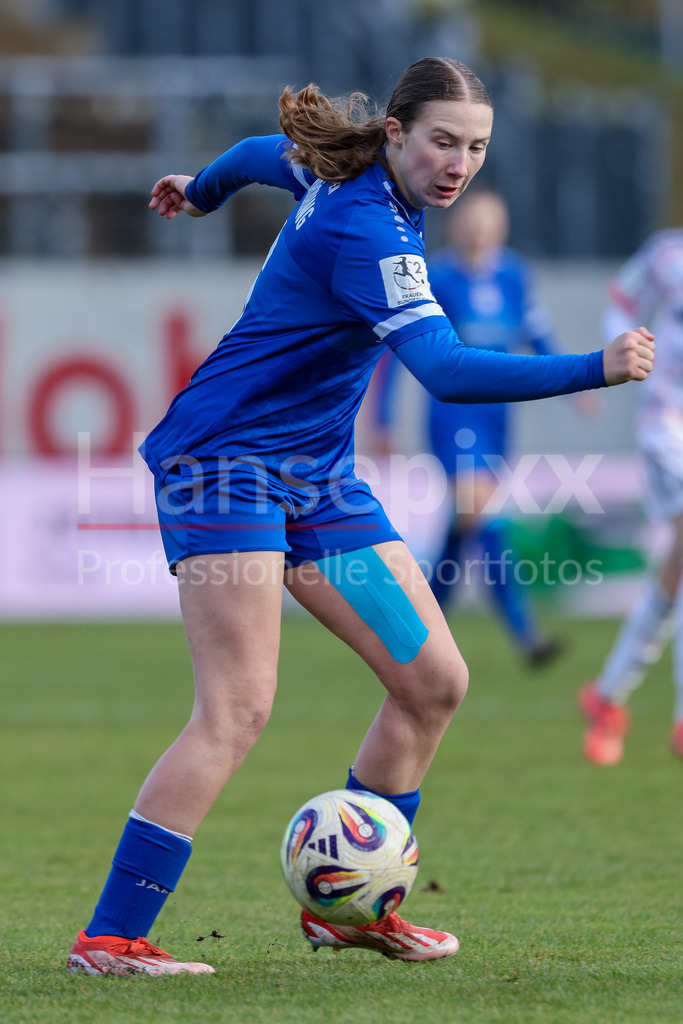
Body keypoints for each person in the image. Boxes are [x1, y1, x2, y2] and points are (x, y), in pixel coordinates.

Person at [66, 57, 654, 976]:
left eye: (475, 147)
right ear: (394, 134)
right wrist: (595, 366)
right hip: (225, 466)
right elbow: (448, 370)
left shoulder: (338, 172)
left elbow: (266, 152)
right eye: (441, 142)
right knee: (238, 707)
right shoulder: (367, 228)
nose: (459, 163)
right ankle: (110, 936)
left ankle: (348, 909)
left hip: (317, 480)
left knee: (433, 681)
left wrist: (203, 190)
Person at [371, 189, 587, 666]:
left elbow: (538, 333)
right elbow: (396, 349)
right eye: (472, 220)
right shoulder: (437, 277)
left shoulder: (513, 275)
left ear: (503, 227)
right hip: (455, 411)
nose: (480, 230)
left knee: (468, 521)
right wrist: (382, 416)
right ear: (454, 225)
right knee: (480, 513)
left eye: (490, 221)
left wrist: (578, 382)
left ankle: (413, 629)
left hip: (498, 414)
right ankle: (525, 635)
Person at [579, 228, 683, 766]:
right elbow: (622, 300)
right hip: (669, 424)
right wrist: (631, 351)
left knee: (676, 566)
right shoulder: (668, 254)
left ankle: (608, 695)